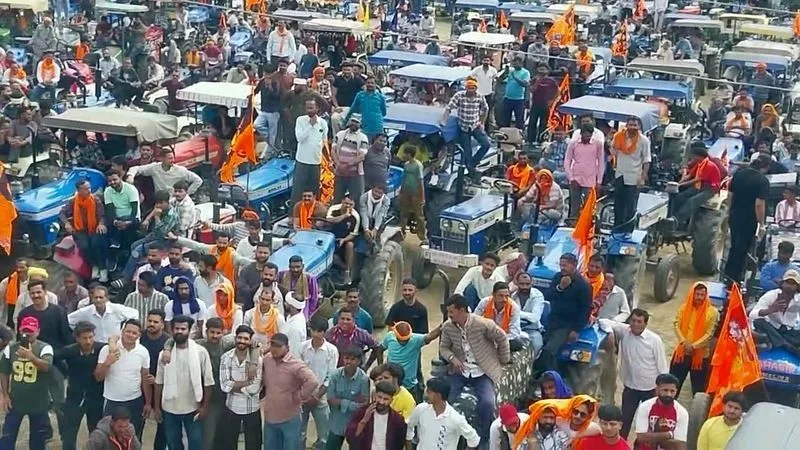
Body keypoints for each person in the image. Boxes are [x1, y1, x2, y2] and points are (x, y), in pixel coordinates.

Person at [440, 293, 510, 442]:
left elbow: (502, 337)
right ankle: (445, 433)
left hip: (482, 372)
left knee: (488, 403)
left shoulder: (482, 324)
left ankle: (483, 438)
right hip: (460, 371)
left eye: (451, 312)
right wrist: (453, 359)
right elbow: (443, 348)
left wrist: (503, 359)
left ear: (462, 310)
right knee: (446, 397)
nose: (449, 315)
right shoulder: (447, 326)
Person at [600, 309, 669, 438]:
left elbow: (662, 366)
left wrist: (661, 389)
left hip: (650, 388)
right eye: (633, 321)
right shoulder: (624, 331)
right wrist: (610, 334)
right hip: (630, 388)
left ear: (645, 324)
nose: (635, 324)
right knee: (624, 421)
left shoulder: (655, 340)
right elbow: (604, 321)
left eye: (639, 321)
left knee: (649, 423)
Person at [153, 314, 215, 449]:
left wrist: (204, 407)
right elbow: (159, 382)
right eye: (177, 329)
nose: (179, 331)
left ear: (189, 330)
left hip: (193, 407)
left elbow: (208, 382)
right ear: (172, 330)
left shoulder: (200, 352)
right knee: (173, 443)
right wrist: (156, 408)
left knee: (196, 443)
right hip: (169, 407)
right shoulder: (164, 355)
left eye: (183, 329)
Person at [0, 316, 53, 450]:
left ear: (38, 331)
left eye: (31, 331)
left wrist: (31, 357)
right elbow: (4, 371)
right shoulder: (11, 348)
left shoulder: (45, 348)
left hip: (38, 401)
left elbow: (46, 367)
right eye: (25, 330)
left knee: (37, 441)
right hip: (15, 400)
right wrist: (5, 395)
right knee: (7, 438)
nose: (28, 334)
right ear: (19, 330)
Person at [95, 319, 151, 439]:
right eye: (128, 331)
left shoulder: (143, 352)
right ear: (122, 331)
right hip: (112, 401)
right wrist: (107, 362)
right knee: (109, 437)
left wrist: (148, 403)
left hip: (135, 401)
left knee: (134, 437)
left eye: (134, 333)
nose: (130, 335)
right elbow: (98, 377)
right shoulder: (107, 350)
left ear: (139, 335)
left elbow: (145, 378)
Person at [262, 332, 320, 450]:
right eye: (272, 345)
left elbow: (313, 381)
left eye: (278, 346)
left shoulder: (295, 364)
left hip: (290, 418)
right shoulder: (267, 359)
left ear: (287, 348)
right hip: (270, 417)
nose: (274, 349)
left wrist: (299, 396)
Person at [57, 321, 106, 450]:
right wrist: (66, 372)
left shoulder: (101, 349)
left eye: (91, 337)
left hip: (96, 398)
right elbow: (55, 359)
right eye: (84, 338)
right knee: (69, 434)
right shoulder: (70, 351)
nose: (88, 341)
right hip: (74, 397)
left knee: (96, 433)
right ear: (77, 338)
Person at [119, 190, 182, 287]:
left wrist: (157, 217)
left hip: (167, 240)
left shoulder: (171, 215)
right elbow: (154, 211)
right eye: (156, 203)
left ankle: (126, 279)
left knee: (137, 250)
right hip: (155, 236)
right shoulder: (159, 208)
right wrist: (148, 219)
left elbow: (162, 232)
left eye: (160, 203)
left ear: (167, 202)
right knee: (134, 245)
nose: (158, 205)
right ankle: (133, 272)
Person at [540, 253, 592, 370]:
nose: (562, 268)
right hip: (552, 321)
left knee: (549, 350)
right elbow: (547, 296)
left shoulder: (584, 285)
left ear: (574, 265)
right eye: (561, 265)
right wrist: (560, 287)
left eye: (565, 265)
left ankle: (548, 375)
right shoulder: (557, 277)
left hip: (567, 325)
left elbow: (585, 309)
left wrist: (576, 330)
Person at [215, 325, 263, 450]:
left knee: (254, 445)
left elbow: (254, 389)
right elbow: (224, 386)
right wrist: (247, 382)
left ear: (250, 341)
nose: (242, 341)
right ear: (235, 338)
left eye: (246, 339)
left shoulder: (257, 360)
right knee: (228, 444)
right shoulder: (226, 358)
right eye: (240, 338)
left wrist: (234, 385)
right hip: (231, 407)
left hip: (252, 408)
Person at [724, 154, 770, 283]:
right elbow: (759, 204)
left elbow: (730, 195)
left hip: (735, 215)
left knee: (734, 246)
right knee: (742, 249)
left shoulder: (739, 174)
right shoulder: (762, 181)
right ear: (766, 167)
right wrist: (761, 224)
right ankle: (735, 278)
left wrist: (730, 211)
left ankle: (728, 274)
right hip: (749, 219)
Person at [669, 282, 720, 397]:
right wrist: (683, 342)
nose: (699, 298)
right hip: (682, 354)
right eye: (697, 294)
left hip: (700, 357)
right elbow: (677, 325)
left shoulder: (712, 312)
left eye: (702, 295)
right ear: (692, 294)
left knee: (698, 390)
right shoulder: (683, 308)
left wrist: (694, 346)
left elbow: (709, 334)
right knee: (673, 385)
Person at [407, 377, 481, 450]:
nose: (426, 395)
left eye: (429, 392)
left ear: (438, 395)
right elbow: (409, 427)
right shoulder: (421, 409)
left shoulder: (455, 418)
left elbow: (474, 439)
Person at [299, 318, 338, 450]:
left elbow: (330, 376)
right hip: (302, 396)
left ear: (325, 332)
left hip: (321, 397)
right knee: (300, 432)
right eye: (313, 330)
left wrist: (317, 396)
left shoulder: (331, 350)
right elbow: (297, 371)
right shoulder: (302, 347)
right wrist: (303, 394)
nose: (315, 334)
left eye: (319, 331)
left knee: (324, 434)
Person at [60, 178, 108, 281]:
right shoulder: (73, 201)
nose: (89, 190)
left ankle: (103, 268)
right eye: (85, 189)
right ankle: (94, 266)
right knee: (84, 246)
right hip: (80, 229)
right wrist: (67, 223)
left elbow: (102, 215)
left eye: (89, 188)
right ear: (79, 190)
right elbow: (62, 213)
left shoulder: (96, 200)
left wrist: (101, 224)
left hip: (94, 228)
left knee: (96, 244)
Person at [610, 116, 652, 234]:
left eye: (635, 125)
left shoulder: (644, 140)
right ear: (626, 125)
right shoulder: (618, 137)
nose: (632, 127)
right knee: (618, 205)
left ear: (639, 127)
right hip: (620, 175)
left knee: (630, 206)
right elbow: (613, 151)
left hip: (634, 177)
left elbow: (646, 160)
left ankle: (628, 232)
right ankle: (617, 230)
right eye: (630, 125)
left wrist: (643, 177)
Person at [381, 321, 441, 402]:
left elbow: (430, 336)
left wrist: (442, 326)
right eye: (401, 340)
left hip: (410, 385)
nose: (403, 342)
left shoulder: (416, 340)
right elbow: (379, 349)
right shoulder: (389, 337)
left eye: (406, 340)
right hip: (392, 384)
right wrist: (381, 367)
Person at [443, 78, 491, 176]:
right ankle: (469, 171)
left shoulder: (480, 96)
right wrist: (444, 120)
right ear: (466, 88)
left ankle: (472, 164)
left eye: (473, 88)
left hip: (475, 125)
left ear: (476, 89)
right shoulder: (459, 95)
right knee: (467, 151)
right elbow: (448, 108)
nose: (471, 90)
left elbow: (485, 109)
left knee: (486, 144)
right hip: (463, 127)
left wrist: (482, 122)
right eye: (469, 88)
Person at [327, 346, 371, 450]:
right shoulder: (335, 376)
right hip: (336, 422)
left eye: (353, 359)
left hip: (355, 422)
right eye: (346, 358)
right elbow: (330, 400)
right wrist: (352, 403)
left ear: (359, 361)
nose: (349, 362)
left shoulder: (364, 379)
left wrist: (340, 401)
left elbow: (364, 404)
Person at [670, 144, 722, 229]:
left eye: (693, 156)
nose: (692, 157)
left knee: (692, 201)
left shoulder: (709, 165)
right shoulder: (699, 164)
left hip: (710, 189)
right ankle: (671, 215)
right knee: (679, 197)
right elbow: (689, 176)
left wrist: (681, 184)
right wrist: (678, 182)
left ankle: (676, 221)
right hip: (699, 187)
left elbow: (696, 179)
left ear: (699, 156)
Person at [345, 380, 408, 450]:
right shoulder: (362, 412)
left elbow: (399, 444)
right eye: (379, 397)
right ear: (375, 395)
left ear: (391, 400)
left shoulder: (398, 419)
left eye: (386, 399)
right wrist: (364, 421)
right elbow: (350, 437)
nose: (381, 402)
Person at [749, 269, 800, 353]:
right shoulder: (771, 295)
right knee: (759, 322)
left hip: (788, 332)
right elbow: (752, 314)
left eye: (793, 284)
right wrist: (770, 310)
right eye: (787, 282)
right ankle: (785, 344)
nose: (789, 286)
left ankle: (778, 342)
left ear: (797, 287)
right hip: (771, 328)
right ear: (782, 283)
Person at [633, 373, 689, 450]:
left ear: (676, 391)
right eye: (665, 390)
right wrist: (669, 434)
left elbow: (679, 444)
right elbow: (641, 437)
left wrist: (651, 436)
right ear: (657, 389)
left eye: (672, 391)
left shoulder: (682, 412)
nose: (668, 394)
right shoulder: (645, 406)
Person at [175, 234, 253, 288]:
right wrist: (177, 239)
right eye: (220, 242)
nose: (222, 245)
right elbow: (196, 245)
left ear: (229, 243)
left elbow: (243, 260)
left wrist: (258, 262)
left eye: (224, 243)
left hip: (225, 287)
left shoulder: (232, 255)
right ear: (216, 241)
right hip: (208, 285)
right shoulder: (211, 249)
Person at [138, 309, 168, 450]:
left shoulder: (168, 342)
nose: (151, 324)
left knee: (162, 426)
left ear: (162, 324)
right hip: (139, 387)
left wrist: (157, 379)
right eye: (149, 321)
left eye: (155, 322)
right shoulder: (139, 337)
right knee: (137, 424)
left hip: (161, 388)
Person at [68, 286, 139, 343]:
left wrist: (123, 329)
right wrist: (80, 332)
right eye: (96, 297)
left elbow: (135, 313)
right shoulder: (85, 312)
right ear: (92, 299)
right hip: (95, 346)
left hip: (114, 345)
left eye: (101, 297)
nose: (98, 300)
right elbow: (69, 320)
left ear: (106, 298)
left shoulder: (116, 309)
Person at [565, 124, 605, 217]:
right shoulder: (573, 143)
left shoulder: (598, 144)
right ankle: (573, 222)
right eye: (585, 135)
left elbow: (601, 163)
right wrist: (571, 178)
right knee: (574, 206)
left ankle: (587, 223)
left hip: (590, 179)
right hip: (575, 178)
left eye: (589, 135)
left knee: (588, 207)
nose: (587, 137)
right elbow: (567, 161)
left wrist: (599, 181)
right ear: (581, 134)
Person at [126, 149, 202, 195]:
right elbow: (136, 168)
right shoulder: (154, 167)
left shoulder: (180, 170)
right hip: (159, 200)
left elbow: (198, 180)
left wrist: (186, 194)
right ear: (162, 159)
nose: (172, 160)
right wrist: (130, 176)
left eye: (173, 158)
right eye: (170, 158)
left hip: (174, 200)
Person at [332, 115, 369, 202]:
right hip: (340, 173)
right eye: (352, 121)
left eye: (357, 122)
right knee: (337, 199)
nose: (354, 124)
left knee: (356, 200)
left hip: (355, 175)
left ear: (360, 124)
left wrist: (347, 165)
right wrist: (338, 165)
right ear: (349, 122)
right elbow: (333, 150)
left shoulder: (363, 137)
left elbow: (361, 156)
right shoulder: (340, 134)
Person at [474, 281, 523, 346]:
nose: (504, 299)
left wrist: (497, 341)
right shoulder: (485, 302)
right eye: (501, 296)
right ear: (493, 295)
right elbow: (474, 321)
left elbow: (514, 333)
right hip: (485, 336)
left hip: (504, 338)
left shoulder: (514, 307)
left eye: (506, 296)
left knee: (517, 343)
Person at [326, 196, 361, 285]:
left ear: (354, 205)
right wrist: (344, 216)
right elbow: (329, 220)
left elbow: (353, 234)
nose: (348, 206)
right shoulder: (334, 209)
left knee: (350, 245)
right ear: (342, 202)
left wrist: (344, 240)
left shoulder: (356, 216)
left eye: (350, 204)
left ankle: (347, 272)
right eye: (346, 203)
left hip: (344, 239)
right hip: (330, 236)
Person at [104, 169, 140, 254]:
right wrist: (115, 221)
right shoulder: (107, 191)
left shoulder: (131, 189)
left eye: (115, 179)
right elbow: (110, 210)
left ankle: (122, 248)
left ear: (120, 178)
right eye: (110, 181)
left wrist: (127, 222)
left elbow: (134, 211)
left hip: (132, 218)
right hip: (117, 219)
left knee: (127, 229)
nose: (112, 182)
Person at [398, 145, 427, 243]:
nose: (403, 155)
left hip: (416, 193)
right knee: (403, 213)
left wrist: (422, 197)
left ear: (409, 154)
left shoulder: (418, 165)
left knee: (419, 215)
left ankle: (422, 236)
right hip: (406, 192)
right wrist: (401, 192)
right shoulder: (406, 164)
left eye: (405, 153)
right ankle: (401, 233)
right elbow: (404, 179)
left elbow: (420, 181)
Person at [346, 75, 387, 142]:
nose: (370, 85)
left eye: (372, 83)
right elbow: (352, 110)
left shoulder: (380, 97)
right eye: (368, 83)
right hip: (364, 127)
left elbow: (384, 113)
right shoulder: (360, 95)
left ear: (375, 85)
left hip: (377, 127)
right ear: (365, 84)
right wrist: (345, 122)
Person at [528, 65, 558, 143]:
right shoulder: (534, 79)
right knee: (532, 122)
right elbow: (532, 90)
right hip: (535, 104)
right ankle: (530, 140)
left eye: (544, 69)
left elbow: (557, 92)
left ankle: (541, 140)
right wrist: (537, 81)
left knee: (543, 124)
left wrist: (552, 101)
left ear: (548, 71)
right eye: (540, 69)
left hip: (546, 105)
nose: (542, 70)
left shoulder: (552, 81)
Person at [501, 56, 530, 130]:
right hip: (507, 99)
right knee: (505, 120)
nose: (515, 65)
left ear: (521, 63)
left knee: (519, 120)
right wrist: (505, 73)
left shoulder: (525, 72)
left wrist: (514, 77)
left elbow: (524, 84)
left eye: (516, 63)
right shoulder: (510, 71)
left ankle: (519, 134)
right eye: (513, 63)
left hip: (519, 100)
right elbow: (501, 80)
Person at [359, 183, 391, 248]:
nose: (377, 194)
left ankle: (377, 241)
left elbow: (381, 214)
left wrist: (375, 229)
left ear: (383, 193)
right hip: (366, 218)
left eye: (380, 193)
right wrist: (366, 229)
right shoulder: (364, 197)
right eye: (375, 191)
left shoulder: (386, 200)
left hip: (378, 220)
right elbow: (364, 213)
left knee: (382, 222)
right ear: (372, 189)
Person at [469, 55, 498, 129]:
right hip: (478, 94)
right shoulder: (477, 70)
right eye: (484, 60)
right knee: (476, 112)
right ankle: (475, 128)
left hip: (488, 94)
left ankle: (486, 129)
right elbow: (470, 78)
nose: (486, 62)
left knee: (487, 112)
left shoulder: (493, 70)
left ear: (490, 62)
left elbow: (495, 81)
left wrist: (494, 91)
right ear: (482, 61)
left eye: (487, 61)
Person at [0, 258, 28, 327]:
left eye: (22, 267)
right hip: (11, 314)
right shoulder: (7, 281)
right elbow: (1, 301)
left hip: (28, 314)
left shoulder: (33, 282)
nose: (19, 270)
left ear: (28, 268)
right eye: (17, 267)